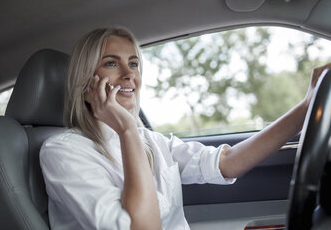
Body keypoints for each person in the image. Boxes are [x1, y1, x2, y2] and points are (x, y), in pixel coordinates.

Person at [40, 27, 331, 230]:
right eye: (111, 64)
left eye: (134, 63)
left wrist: (307, 106)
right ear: (86, 81)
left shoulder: (151, 140)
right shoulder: (63, 152)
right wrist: (127, 129)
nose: (130, 75)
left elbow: (227, 163)